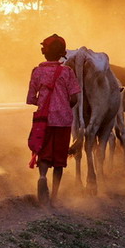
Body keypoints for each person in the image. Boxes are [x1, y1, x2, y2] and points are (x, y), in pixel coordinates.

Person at [26, 34, 80, 205]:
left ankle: (42, 177)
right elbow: (74, 98)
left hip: (44, 119)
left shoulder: (37, 71)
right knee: (59, 158)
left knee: (44, 152)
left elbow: (30, 98)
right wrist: (63, 106)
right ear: (62, 53)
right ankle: (55, 195)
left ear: (44, 52)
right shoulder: (67, 72)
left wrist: (43, 102)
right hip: (63, 121)